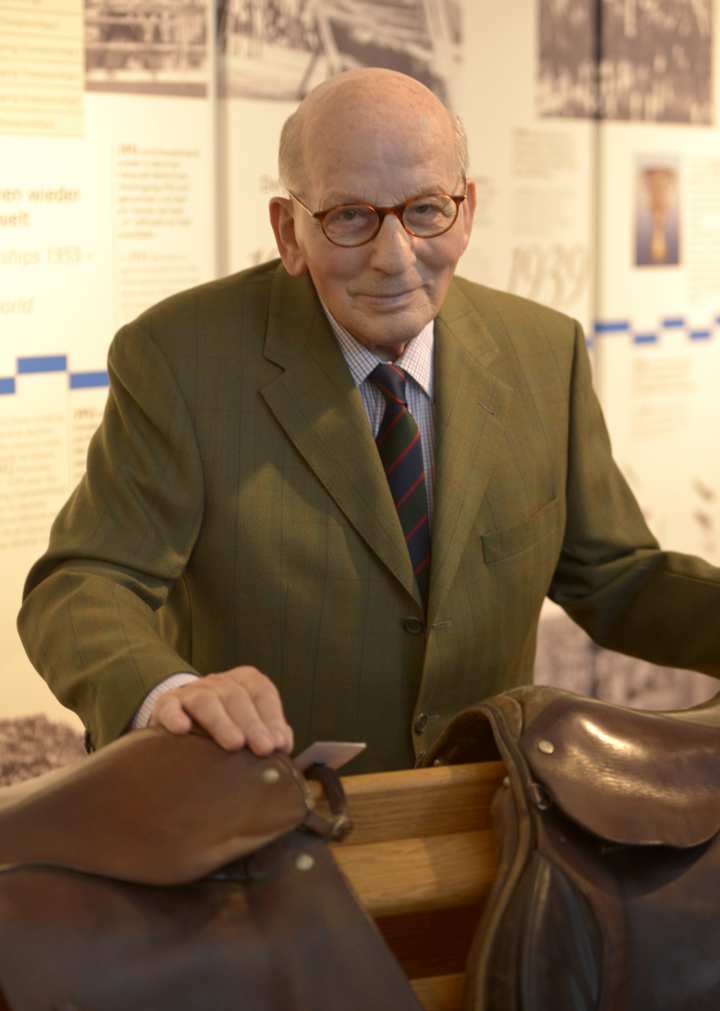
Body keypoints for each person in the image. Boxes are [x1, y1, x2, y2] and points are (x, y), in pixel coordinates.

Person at [17, 68, 720, 774]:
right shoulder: (179, 359)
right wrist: (168, 692)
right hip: (260, 823)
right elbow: (83, 584)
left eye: (424, 211)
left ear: (466, 212)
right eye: (349, 216)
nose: (394, 257)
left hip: (490, 819)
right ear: (289, 231)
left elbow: (614, 577)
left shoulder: (545, 353)